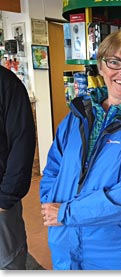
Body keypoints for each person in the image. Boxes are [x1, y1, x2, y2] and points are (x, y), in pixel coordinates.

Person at [40, 31, 121, 270]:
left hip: (119, 250)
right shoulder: (76, 117)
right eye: (114, 62)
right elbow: (53, 169)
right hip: (65, 240)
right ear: (101, 67)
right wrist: (50, 205)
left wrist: (66, 212)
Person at [0, 66, 36, 269]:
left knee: (7, 264)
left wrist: (5, 200)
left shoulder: (6, 83)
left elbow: (23, 143)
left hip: (1, 203)